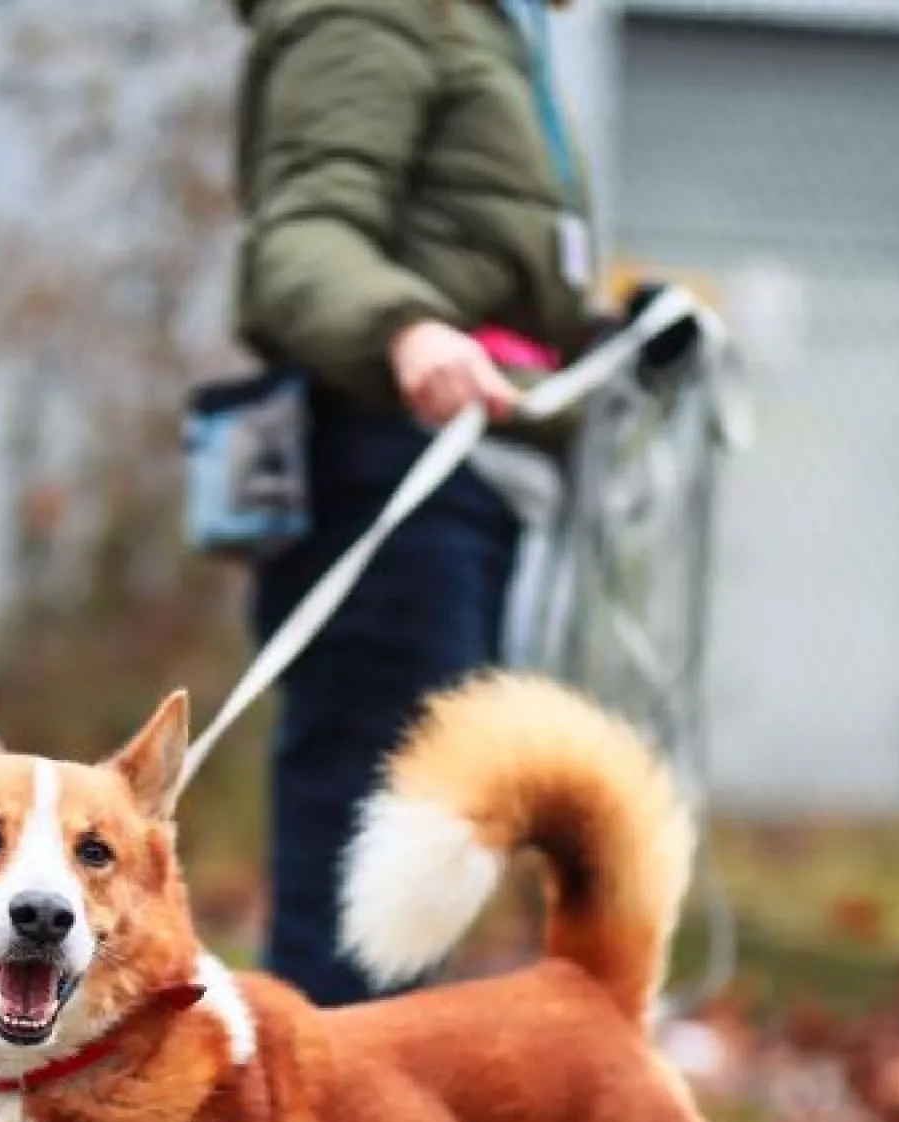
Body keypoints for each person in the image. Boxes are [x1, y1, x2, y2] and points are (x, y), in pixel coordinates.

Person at [231, 0, 592, 1008]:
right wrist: (406, 331)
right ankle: (331, 1102)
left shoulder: (483, 22)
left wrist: (608, 333)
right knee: (371, 853)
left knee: (416, 850)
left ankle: (360, 1094)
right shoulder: (373, 9)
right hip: (391, 480)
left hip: (460, 476)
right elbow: (302, 234)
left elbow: (467, 246)